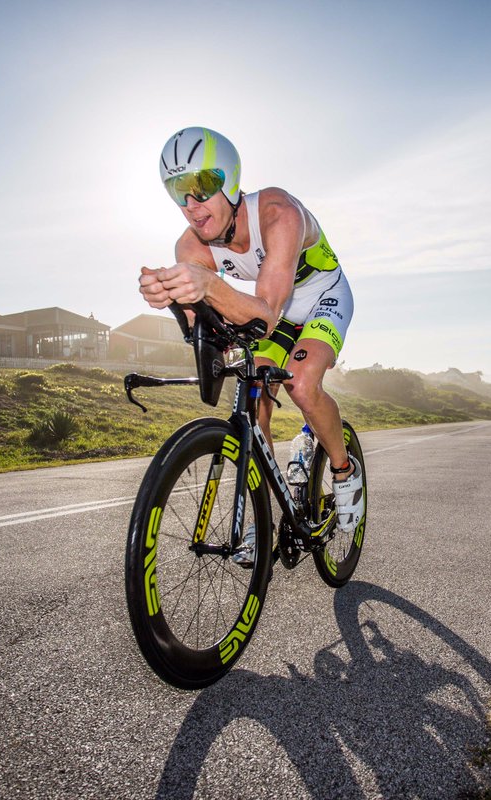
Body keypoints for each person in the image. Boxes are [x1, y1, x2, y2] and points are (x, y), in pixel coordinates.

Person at [138, 126, 363, 564]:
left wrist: (208, 287)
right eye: (176, 191)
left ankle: (342, 468)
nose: (191, 205)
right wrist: (174, 300)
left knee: (300, 383)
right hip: (268, 310)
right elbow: (213, 324)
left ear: (231, 180)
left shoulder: (279, 213)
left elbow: (265, 312)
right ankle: (263, 513)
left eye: (200, 186)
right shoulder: (191, 245)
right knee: (253, 389)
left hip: (320, 297)